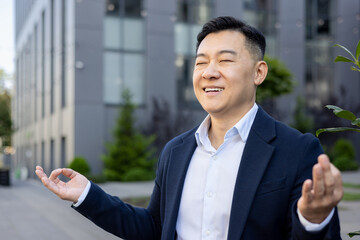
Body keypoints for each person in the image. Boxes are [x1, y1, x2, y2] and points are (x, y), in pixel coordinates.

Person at [35, 16, 343, 240]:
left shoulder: (297, 149)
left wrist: (313, 220)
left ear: (258, 72)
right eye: (200, 62)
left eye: (225, 60)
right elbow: (154, 228)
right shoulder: (176, 151)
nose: (209, 72)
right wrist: (87, 195)